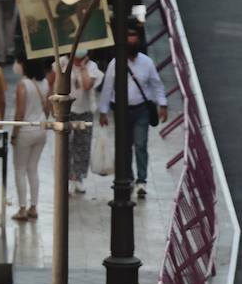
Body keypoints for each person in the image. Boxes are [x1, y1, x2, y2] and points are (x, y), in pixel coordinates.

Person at [99, 23, 168, 199]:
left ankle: (141, 181)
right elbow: (107, 88)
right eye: (128, 36)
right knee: (124, 147)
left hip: (141, 111)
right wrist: (103, 110)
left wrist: (163, 104)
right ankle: (127, 178)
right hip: (121, 112)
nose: (131, 40)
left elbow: (156, 84)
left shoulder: (147, 63)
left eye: (134, 36)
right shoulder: (115, 64)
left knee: (140, 145)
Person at [11, 57, 52, 221]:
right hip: (40, 129)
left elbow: (20, 113)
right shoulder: (45, 83)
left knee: (20, 169)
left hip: (25, 131)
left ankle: (22, 209)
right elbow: (48, 108)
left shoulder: (23, 85)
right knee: (33, 168)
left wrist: (14, 133)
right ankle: (33, 207)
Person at [69, 49, 104, 194]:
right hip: (68, 110)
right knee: (66, 146)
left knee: (82, 146)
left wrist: (82, 68)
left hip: (85, 112)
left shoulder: (92, 67)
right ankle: (68, 177)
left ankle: (79, 178)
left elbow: (87, 85)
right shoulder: (64, 64)